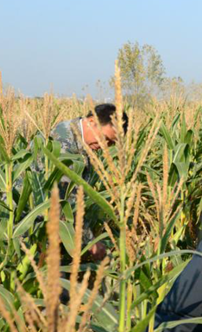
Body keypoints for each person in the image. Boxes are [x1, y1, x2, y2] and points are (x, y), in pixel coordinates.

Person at [25, 103, 128, 261]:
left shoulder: (82, 143)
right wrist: (90, 241)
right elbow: (65, 203)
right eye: (105, 138)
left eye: (111, 144)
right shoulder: (64, 145)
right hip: (27, 225)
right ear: (92, 121)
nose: (104, 146)